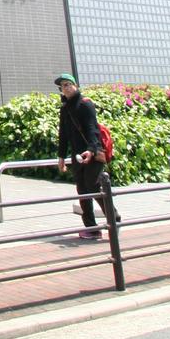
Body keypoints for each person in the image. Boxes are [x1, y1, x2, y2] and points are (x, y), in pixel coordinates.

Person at [55, 72, 117, 238]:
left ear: (76, 86)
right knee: (83, 191)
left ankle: (114, 218)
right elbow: (64, 135)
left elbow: (92, 130)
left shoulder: (85, 104)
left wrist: (91, 150)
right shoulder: (65, 109)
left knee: (94, 187)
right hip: (77, 156)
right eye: (63, 86)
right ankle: (91, 228)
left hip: (93, 154)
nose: (66, 88)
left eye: (68, 84)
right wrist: (61, 157)